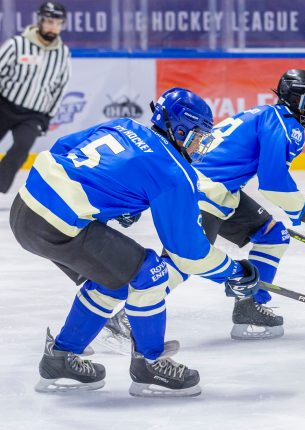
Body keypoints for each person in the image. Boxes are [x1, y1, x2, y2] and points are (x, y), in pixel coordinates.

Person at [9, 87, 261, 397]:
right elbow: (188, 253)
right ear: (180, 130)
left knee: (114, 280)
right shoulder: (173, 170)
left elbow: (64, 148)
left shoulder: (124, 125)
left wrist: (113, 199)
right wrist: (233, 271)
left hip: (25, 207)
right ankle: (150, 365)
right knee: (150, 273)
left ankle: (60, 359)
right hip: (57, 223)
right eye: (198, 136)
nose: (200, 145)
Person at [98, 69, 305, 348]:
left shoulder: (266, 114)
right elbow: (273, 182)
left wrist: (302, 210)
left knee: (273, 235)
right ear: (296, 100)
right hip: (204, 189)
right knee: (184, 260)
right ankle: (127, 317)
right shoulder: (286, 125)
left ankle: (249, 306)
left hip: (219, 190)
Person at [0, 2, 71, 193]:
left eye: (58, 23)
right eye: (49, 22)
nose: (53, 28)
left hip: (33, 114)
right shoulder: (17, 44)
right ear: (40, 21)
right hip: (4, 105)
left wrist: (47, 116)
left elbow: (60, 86)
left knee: (22, 148)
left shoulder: (62, 53)